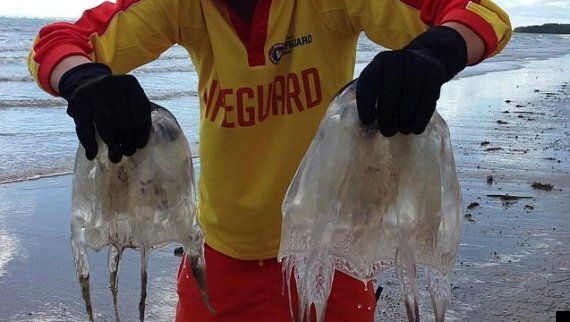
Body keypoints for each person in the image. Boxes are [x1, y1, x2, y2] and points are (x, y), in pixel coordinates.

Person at [28, 0, 511, 320]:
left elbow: (480, 15)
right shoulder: (183, 5)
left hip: (329, 253)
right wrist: (85, 82)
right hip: (219, 257)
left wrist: (432, 54)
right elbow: (56, 43)